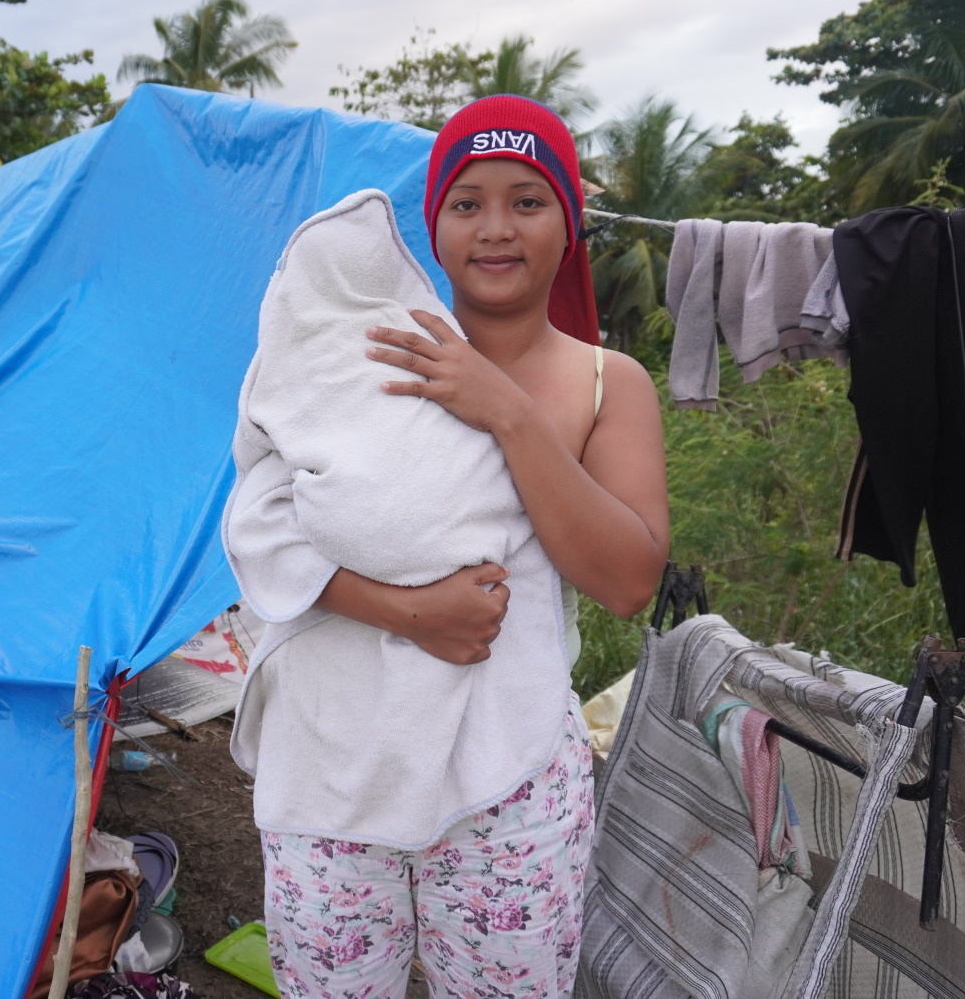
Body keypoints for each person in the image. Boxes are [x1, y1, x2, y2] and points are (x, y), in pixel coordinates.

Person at [225, 95, 670, 998]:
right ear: (433, 225)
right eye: (466, 203)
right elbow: (258, 525)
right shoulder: (360, 352)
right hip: (332, 778)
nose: (495, 228)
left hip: (506, 787)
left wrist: (502, 408)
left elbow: (627, 580)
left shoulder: (603, 382)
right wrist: (410, 612)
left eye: (527, 200)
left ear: (569, 220)